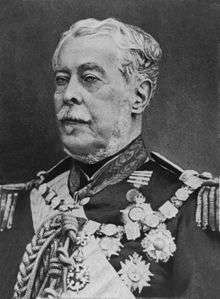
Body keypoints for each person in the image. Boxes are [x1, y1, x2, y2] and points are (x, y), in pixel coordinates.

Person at [0, 18, 219, 299]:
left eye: (90, 78)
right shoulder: (14, 210)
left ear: (139, 95)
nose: (68, 95)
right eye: (61, 80)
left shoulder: (191, 210)